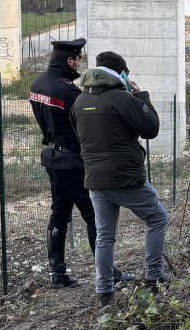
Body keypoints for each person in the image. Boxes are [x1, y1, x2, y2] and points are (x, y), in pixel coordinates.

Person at [29, 39, 133, 289]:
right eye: (77, 60)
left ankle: (57, 272)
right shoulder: (69, 91)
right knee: (93, 215)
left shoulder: (37, 84)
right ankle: (107, 273)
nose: (79, 64)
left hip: (53, 157)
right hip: (74, 160)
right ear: (69, 60)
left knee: (59, 214)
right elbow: (85, 121)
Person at [70, 51, 168, 307]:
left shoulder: (79, 102)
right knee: (157, 219)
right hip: (126, 177)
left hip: (94, 179)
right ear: (122, 75)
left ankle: (104, 291)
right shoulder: (124, 99)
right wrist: (141, 96)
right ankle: (154, 277)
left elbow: (80, 136)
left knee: (105, 236)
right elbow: (151, 129)